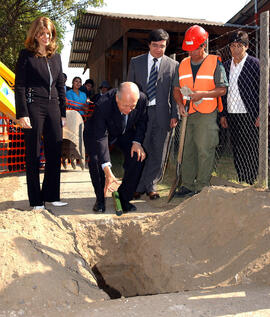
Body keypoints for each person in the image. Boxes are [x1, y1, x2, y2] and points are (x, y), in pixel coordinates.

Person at [15, 16, 67, 209]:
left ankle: (52, 195)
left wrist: (63, 112)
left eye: (48, 33)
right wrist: (22, 113)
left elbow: (61, 86)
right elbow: (19, 86)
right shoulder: (25, 56)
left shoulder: (57, 57)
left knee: (55, 150)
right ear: (34, 35)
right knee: (33, 153)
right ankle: (36, 200)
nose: (45, 37)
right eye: (41, 33)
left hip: (53, 106)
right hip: (33, 105)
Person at [173, 25, 228, 197]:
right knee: (187, 149)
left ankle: (202, 187)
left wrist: (202, 94)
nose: (190, 53)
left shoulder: (214, 63)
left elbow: (222, 90)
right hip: (187, 113)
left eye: (194, 49)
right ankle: (188, 185)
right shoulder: (182, 64)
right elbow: (176, 88)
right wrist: (180, 105)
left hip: (206, 113)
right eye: (188, 49)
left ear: (203, 45)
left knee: (204, 149)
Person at [127, 28, 179, 200]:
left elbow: (174, 92)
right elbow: (130, 88)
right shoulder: (136, 62)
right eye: (155, 45)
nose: (158, 49)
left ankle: (151, 185)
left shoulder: (173, 65)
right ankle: (138, 185)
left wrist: (174, 114)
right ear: (149, 45)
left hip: (163, 113)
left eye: (162, 46)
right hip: (141, 113)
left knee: (159, 150)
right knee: (142, 148)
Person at [83, 82, 147, 213]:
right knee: (96, 160)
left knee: (138, 156)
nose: (129, 110)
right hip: (99, 132)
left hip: (123, 131)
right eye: (125, 105)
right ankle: (100, 199)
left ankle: (124, 198)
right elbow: (101, 137)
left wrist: (137, 142)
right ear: (117, 98)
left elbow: (142, 121)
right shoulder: (103, 104)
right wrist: (107, 170)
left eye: (132, 106)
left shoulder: (142, 99)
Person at [220, 31, 260, 185]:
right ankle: (242, 177)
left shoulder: (254, 64)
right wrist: (223, 114)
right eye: (233, 46)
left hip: (250, 113)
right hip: (232, 113)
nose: (236, 49)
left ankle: (252, 179)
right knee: (236, 148)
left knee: (250, 147)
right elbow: (222, 93)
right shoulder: (225, 66)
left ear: (247, 47)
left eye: (239, 46)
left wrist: (262, 113)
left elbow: (265, 90)